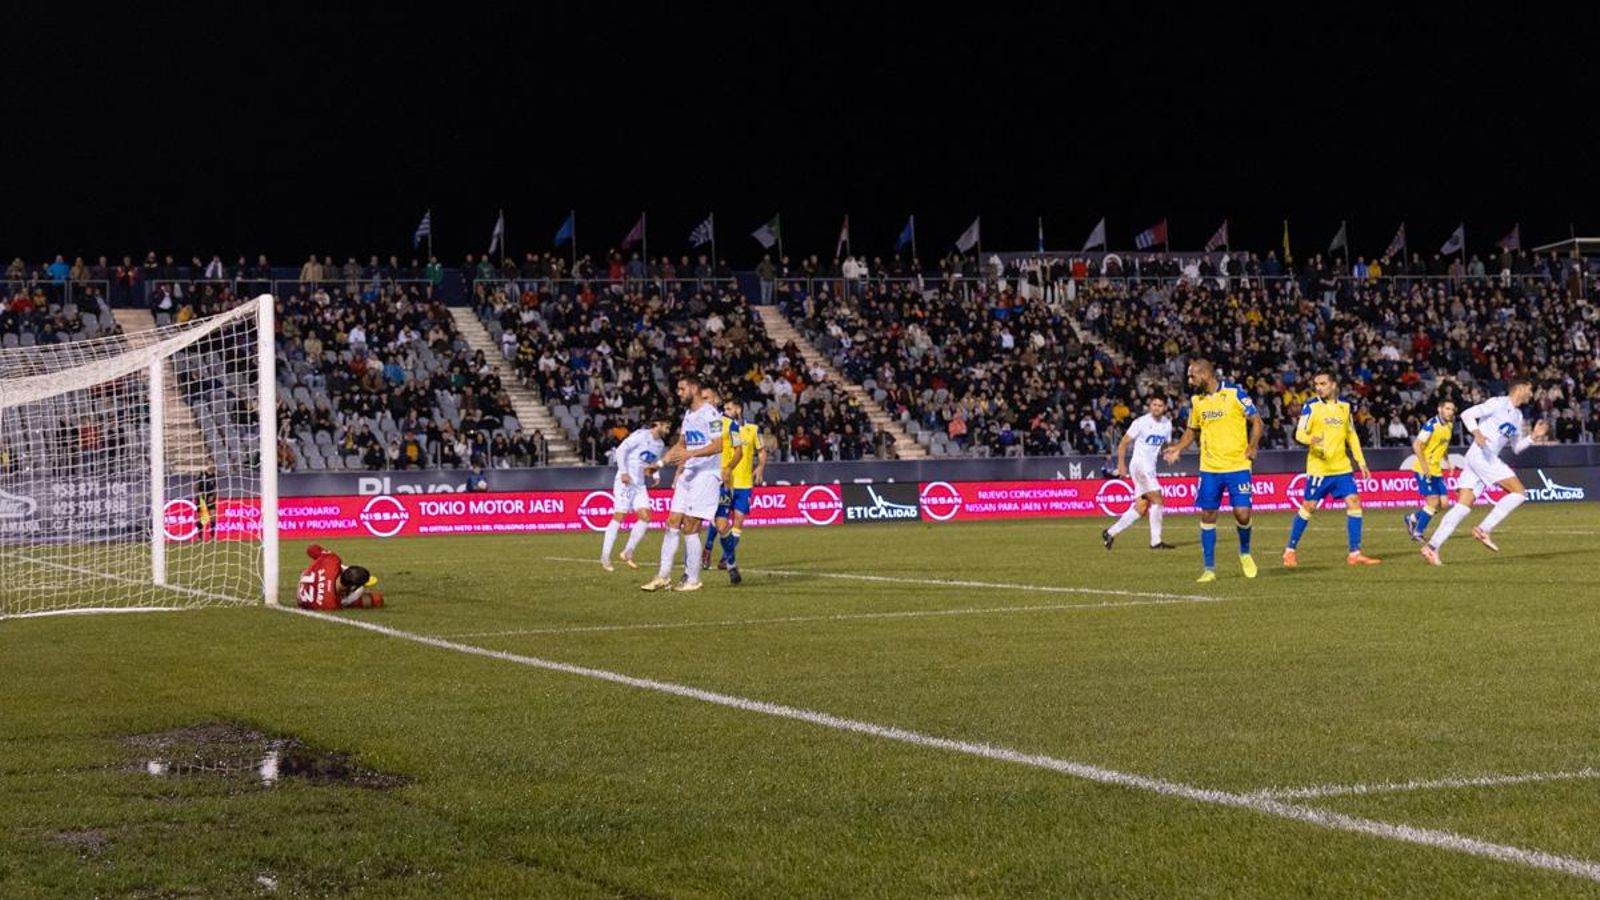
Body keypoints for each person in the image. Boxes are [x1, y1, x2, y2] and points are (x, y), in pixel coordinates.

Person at [1421, 380, 1548, 565]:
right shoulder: (1498, 403)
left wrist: (1533, 437)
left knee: (1462, 507)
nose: (1530, 393)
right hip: (1482, 456)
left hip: (1479, 459)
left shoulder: (1518, 416)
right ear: (1519, 388)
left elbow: (1516, 448)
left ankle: (1431, 547)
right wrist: (1477, 433)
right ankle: (1484, 528)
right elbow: (1466, 414)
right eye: (1529, 389)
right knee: (1520, 493)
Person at [1163, 359, 1263, 583]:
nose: (1190, 381)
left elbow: (1257, 421)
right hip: (1209, 468)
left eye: (1192, 376)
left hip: (1238, 465)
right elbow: (1191, 431)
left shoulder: (1235, 393)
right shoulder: (1197, 401)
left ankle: (1245, 553)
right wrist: (1178, 448)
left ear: (1205, 374)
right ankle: (1209, 568)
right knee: (1208, 514)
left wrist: (1252, 445)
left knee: (1243, 513)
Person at [641, 376, 735, 592]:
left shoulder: (710, 413)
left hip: (706, 475)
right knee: (672, 522)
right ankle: (663, 576)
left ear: (694, 388)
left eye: (682, 389)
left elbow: (719, 444)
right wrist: (660, 463)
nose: (679, 393)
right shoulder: (689, 415)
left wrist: (691, 454)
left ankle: (692, 579)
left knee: (691, 526)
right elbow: (681, 445)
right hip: (689, 473)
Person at [1282, 372, 1381, 567]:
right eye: (1316, 384)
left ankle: (1355, 553)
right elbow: (1299, 433)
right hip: (1320, 468)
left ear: (1333, 385)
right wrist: (1312, 441)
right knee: (1309, 507)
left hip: (1342, 467)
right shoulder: (1311, 406)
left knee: (1354, 502)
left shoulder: (1345, 407)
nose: (1319, 387)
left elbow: (1351, 435)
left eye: (1323, 383)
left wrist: (1361, 462)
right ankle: (1290, 551)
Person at [703, 396, 766, 584]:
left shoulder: (753, 429)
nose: (725, 411)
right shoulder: (721, 426)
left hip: (744, 482)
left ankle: (726, 557)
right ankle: (708, 547)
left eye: (729, 408)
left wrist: (760, 467)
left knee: (738, 520)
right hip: (724, 480)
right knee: (719, 520)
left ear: (738, 409)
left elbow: (761, 451)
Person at [1102, 395, 1175, 551]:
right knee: (1157, 500)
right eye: (1154, 404)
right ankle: (1156, 542)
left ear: (1165, 408)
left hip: (1150, 467)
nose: (1157, 407)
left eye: (1160, 405)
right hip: (1140, 465)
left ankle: (1110, 533)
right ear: (1150, 406)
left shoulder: (1167, 425)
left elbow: (1165, 446)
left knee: (1141, 508)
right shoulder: (1141, 423)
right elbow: (1123, 443)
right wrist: (1121, 465)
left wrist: (1169, 453)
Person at [601, 418, 670, 571]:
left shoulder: (660, 444)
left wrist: (656, 475)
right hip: (625, 480)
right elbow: (620, 451)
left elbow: (652, 462)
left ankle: (627, 552)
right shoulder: (640, 436)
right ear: (657, 423)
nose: (668, 430)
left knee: (646, 517)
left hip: (639, 484)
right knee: (619, 516)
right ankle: (605, 556)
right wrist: (624, 472)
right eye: (666, 426)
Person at [1404, 399, 1458, 541]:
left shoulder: (1449, 425)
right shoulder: (1431, 425)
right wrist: (1424, 466)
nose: (1450, 412)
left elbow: (1443, 446)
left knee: (1443, 503)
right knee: (1433, 501)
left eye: (1452, 409)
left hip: (1436, 469)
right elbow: (1417, 445)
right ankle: (1418, 533)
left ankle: (1413, 518)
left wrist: (1448, 462)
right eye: (1447, 408)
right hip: (1424, 469)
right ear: (1440, 409)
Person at [296, 544, 384, 609]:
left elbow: (311, 549)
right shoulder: (331, 604)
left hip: (303, 587)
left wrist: (320, 562)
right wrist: (350, 599)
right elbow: (378, 600)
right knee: (375, 600)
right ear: (352, 586)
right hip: (307, 597)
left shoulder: (332, 561)